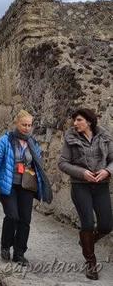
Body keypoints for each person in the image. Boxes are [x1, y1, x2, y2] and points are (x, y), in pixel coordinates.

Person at [0, 110, 52, 266]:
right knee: (12, 216)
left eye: (29, 125)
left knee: (25, 219)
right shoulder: (5, 140)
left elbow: (37, 163)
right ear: (16, 123)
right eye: (24, 124)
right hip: (7, 184)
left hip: (26, 185)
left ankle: (19, 253)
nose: (27, 128)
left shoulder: (33, 143)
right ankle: (5, 245)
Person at [58, 108, 113, 280]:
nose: (75, 124)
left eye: (79, 120)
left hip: (101, 185)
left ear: (89, 121)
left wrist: (107, 171)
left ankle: (86, 241)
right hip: (80, 186)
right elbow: (63, 163)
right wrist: (82, 173)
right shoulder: (70, 138)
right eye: (74, 120)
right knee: (87, 223)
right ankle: (91, 263)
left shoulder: (105, 137)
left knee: (106, 225)